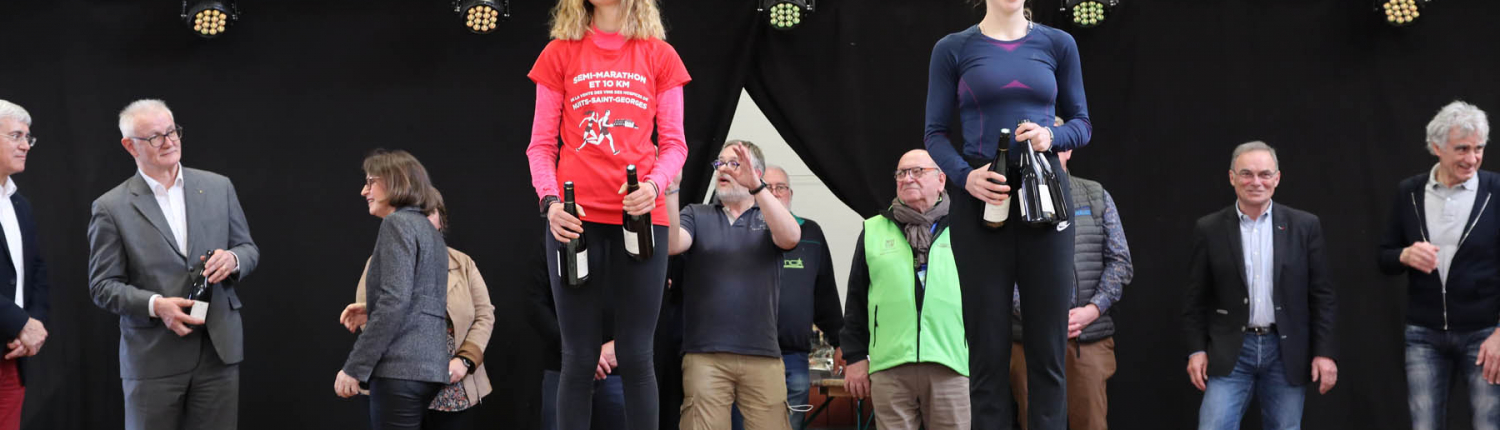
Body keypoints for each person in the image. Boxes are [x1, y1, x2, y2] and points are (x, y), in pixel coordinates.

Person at [921, 0, 1093, 428]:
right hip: (981, 200)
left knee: (1048, 352)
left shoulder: (1059, 43)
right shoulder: (952, 48)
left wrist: (1051, 135)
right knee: (986, 352)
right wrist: (965, 177)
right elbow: (935, 133)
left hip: (1045, 201)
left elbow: (1082, 123)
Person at [525, 0, 691, 427]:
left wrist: (653, 186)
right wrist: (550, 203)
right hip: (574, 220)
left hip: (641, 216)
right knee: (579, 357)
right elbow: (540, 146)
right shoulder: (559, 52)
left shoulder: (659, 54)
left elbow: (675, 144)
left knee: (636, 354)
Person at [87, 99, 260, 430]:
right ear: (129, 146)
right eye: (155, 137)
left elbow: (248, 248)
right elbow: (103, 286)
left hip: (217, 352)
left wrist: (233, 259)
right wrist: (156, 305)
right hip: (153, 358)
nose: (168, 142)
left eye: (172, 131)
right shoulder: (111, 207)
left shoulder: (218, 186)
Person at [1183, 141, 1338, 430]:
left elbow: (1322, 296)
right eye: (1247, 174)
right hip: (1231, 350)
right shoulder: (1210, 228)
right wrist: (1196, 350)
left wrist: (1324, 352)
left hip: (1285, 351)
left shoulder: (1304, 226)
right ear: (1232, 177)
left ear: (1277, 179)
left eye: (1265, 174)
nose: (1256, 182)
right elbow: (1195, 299)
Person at [1377, 101, 1499, 430]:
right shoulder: (1410, 192)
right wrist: (1404, 255)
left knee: (1489, 424)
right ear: (1436, 147)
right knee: (1424, 425)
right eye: (1462, 149)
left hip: (1485, 333)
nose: (1471, 158)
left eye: (1478, 148)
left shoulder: (1496, 191)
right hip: (1424, 334)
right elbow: (1384, 256)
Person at [666, 140, 800, 430]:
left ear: (756, 173)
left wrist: (757, 188)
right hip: (705, 355)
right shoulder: (697, 214)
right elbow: (672, 244)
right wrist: (672, 189)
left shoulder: (769, 216)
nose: (723, 169)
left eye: (734, 163)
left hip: (762, 354)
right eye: (720, 163)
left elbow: (791, 237)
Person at [340, 191, 495, 429]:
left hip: (454, 384)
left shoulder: (463, 263)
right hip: (398, 385)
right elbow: (371, 323)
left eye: (428, 213)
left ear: (441, 220)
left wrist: (465, 360)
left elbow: (484, 315)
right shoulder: (377, 263)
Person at [841, 149, 970, 430]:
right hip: (890, 366)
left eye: (917, 171)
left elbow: (985, 300)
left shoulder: (966, 228)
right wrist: (855, 357)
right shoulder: (874, 230)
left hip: (951, 365)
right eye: (901, 173)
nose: (908, 178)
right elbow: (856, 300)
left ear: (941, 180)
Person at [1008, 148, 1133, 430]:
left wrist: (1093, 309)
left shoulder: (1095, 195)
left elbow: (1120, 262)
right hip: (1029, 340)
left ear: (1068, 149)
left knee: (1090, 423)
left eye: (1054, 146)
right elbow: (1000, 269)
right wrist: (1038, 317)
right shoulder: (1011, 199)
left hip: (1086, 339)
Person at [332, 149, 450, 430]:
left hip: (401, 368)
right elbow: (419, 299)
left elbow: (394, 301)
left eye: (370, 182)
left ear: (395, 181)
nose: (364, 191)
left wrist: (354, 368)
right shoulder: (428, 231)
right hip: (429, 368)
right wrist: (371, 308)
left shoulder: (396, 224)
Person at [730, 165, 843, 430]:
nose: (775, 193)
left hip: (793, 357)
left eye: (780, 187)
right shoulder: (740, 232)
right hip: (745, 355)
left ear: (790, 193)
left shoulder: (811, 233)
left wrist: (841, 342)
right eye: (767, 187)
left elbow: (825, 295)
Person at [524, 235, 629, 430]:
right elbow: (534, 304)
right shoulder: (554, 240)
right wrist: (575, 350)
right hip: (563, 368)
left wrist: (622, 344)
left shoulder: (627, 241)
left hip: (616, 369)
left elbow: (648, 300)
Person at [0, 100, 48, 430]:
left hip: (10, 354)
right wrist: (20, 321)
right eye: (16, 136)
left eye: (28, 138)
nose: (25, 145)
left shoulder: (20, 204)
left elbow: (36, 270)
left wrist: (34, 323)